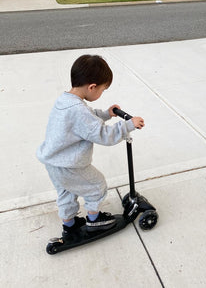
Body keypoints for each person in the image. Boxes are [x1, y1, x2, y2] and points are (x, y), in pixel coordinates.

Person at [36, 54, 144, 238]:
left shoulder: (66, 100)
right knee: (96, 186)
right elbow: (104, 135)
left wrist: (106, 114)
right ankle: (95, 221)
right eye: (102, 90)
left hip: (53, 162)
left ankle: (69, 224)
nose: (101, 93)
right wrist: (128, 125)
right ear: (92, 87)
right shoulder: (79, 111)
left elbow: (87, 116)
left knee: (67, 192)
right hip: (69, 165)